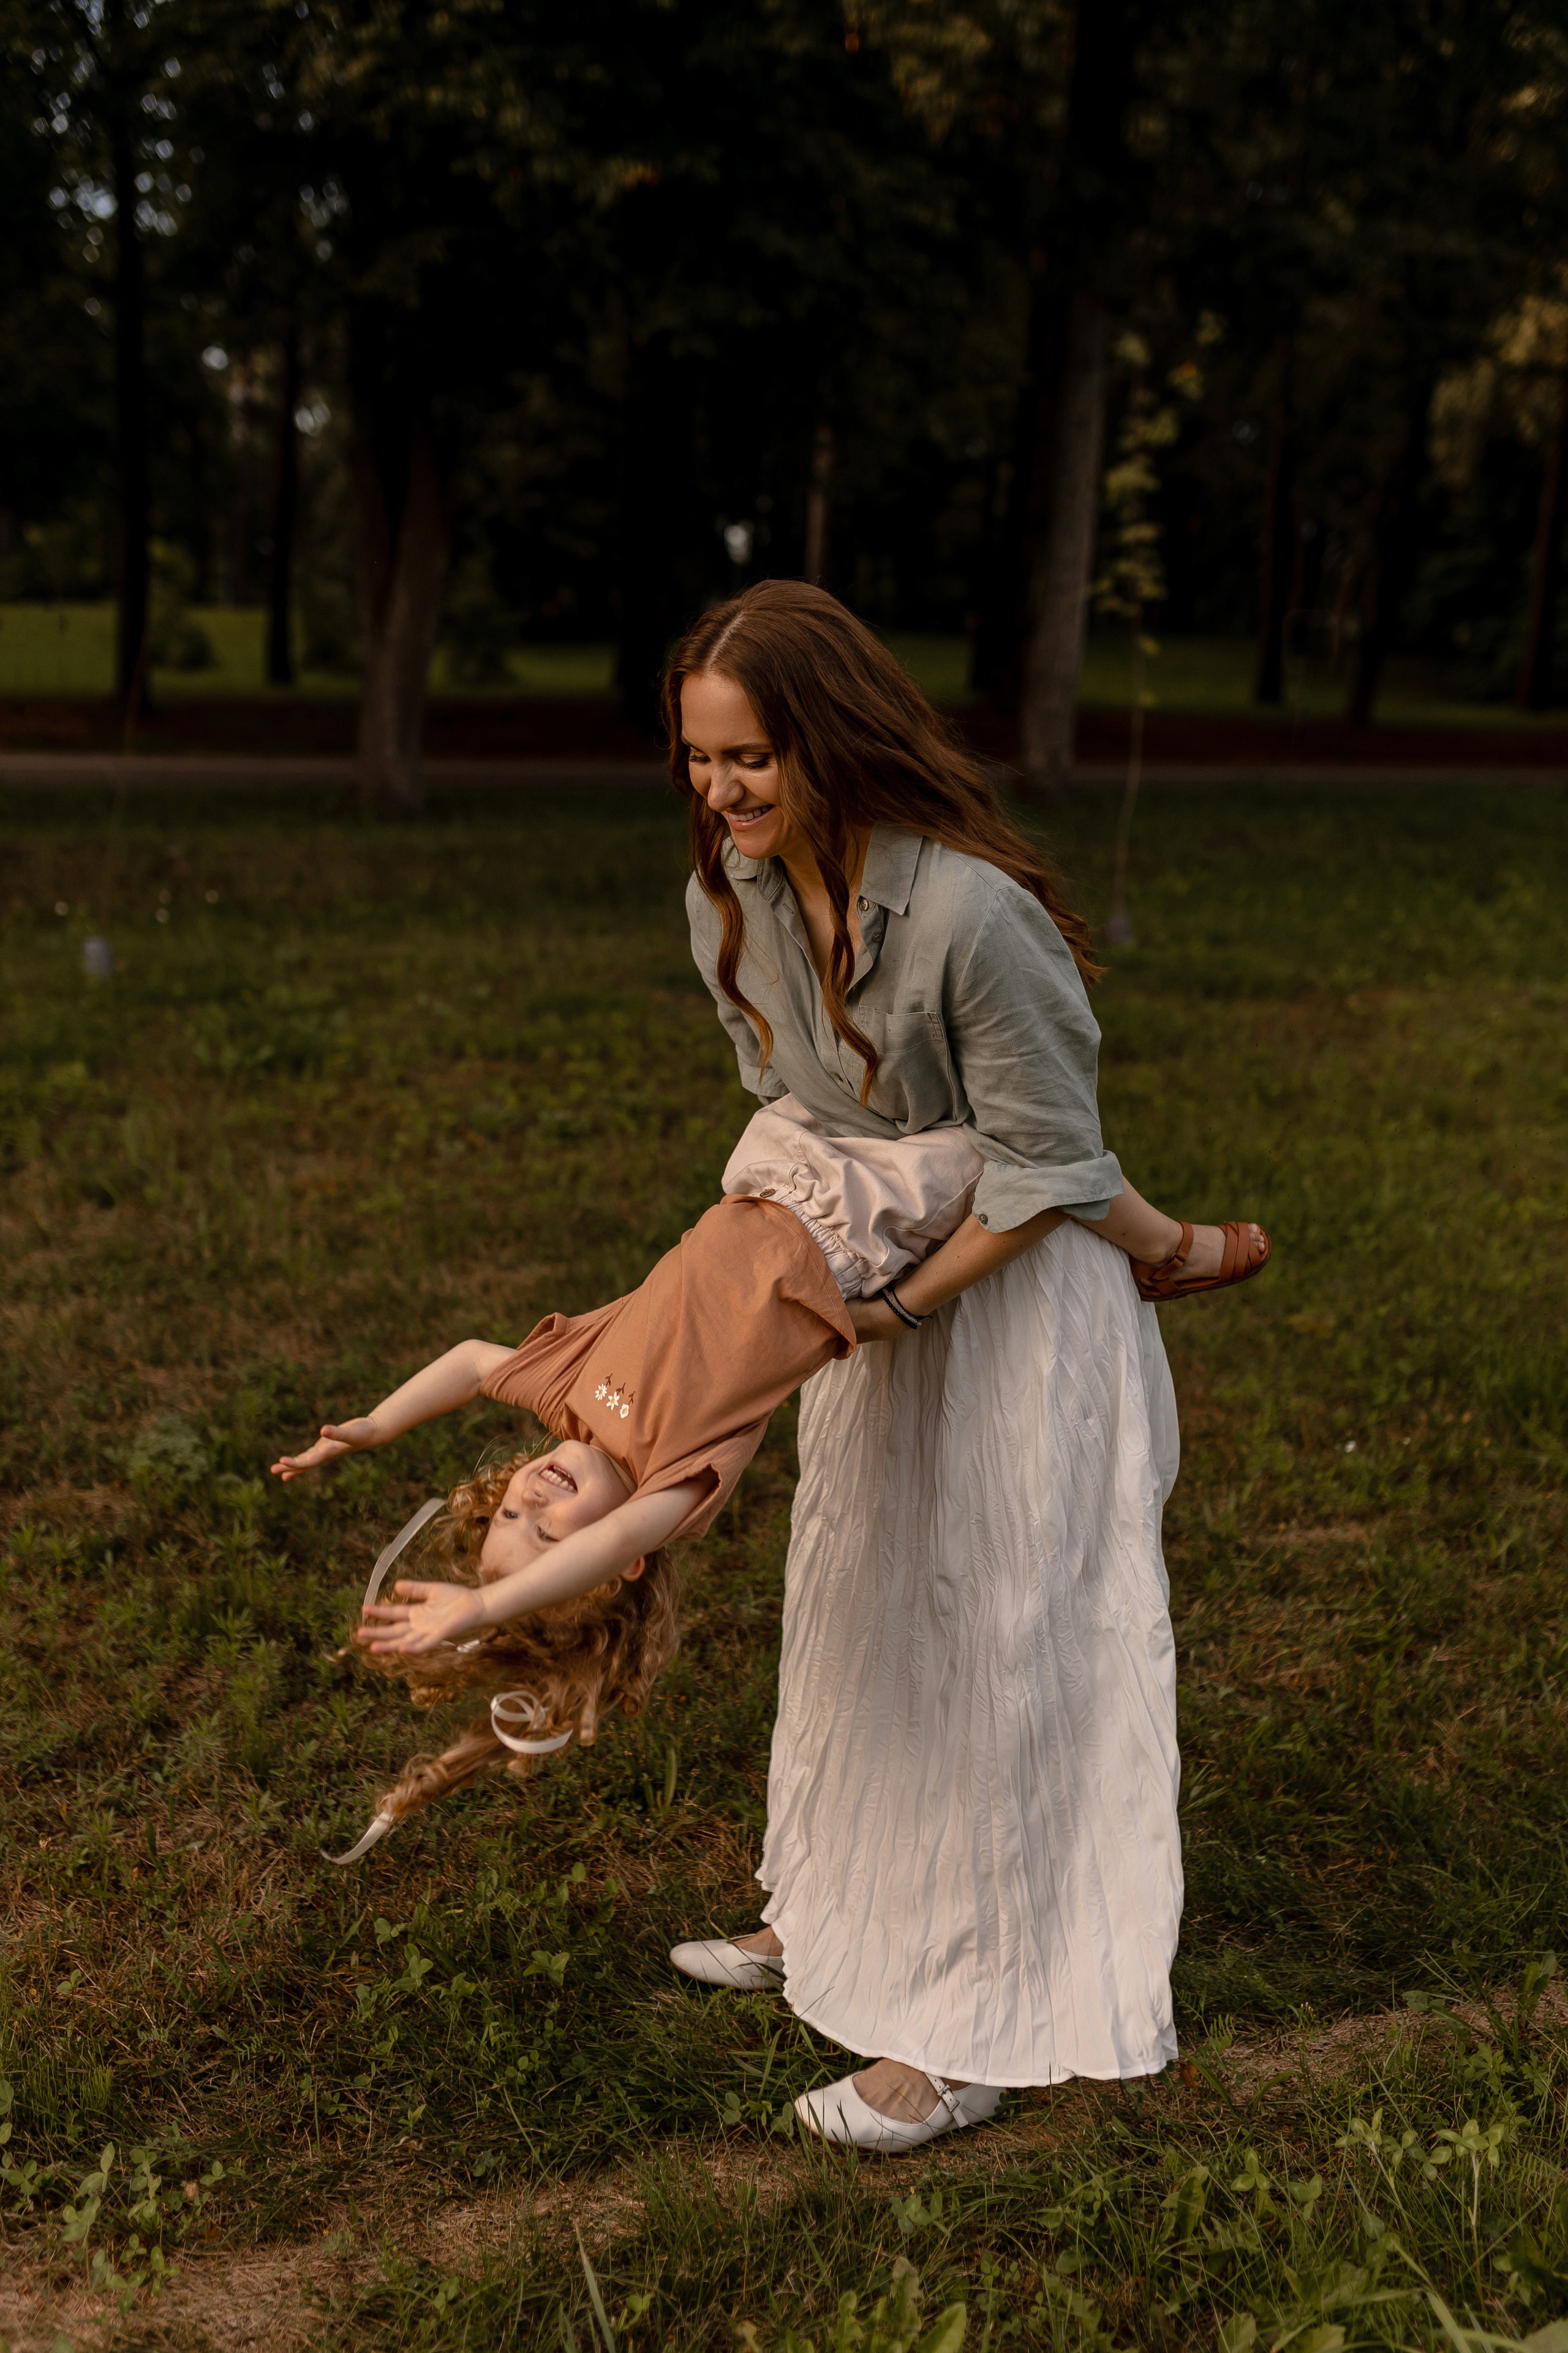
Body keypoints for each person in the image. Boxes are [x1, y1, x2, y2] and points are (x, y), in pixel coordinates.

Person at [668, 579, 1268, 2153]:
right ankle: (831, 1907)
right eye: (698, 761)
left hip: (1010, 1296)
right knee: (860, 1602)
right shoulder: (727, 899)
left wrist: (898, 1306)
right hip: (883, 1279)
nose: (721, 796)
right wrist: (794, 1275)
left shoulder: (969, 917)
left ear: (831, 742)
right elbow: (804, 1117)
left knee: (996, 1640)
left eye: (751, 761)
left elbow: (1042, 1171)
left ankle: (966, 2024)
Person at [269, 1087, 1255, 1848]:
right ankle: (1173, 1246)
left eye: (509, 1516)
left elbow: (478, 1359)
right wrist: (481, 1612)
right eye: (544, 1543)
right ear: (617, 1571)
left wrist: (375, 1423)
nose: (531, 1503)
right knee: (1032, 1127)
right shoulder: (673, 1484)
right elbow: (609, 1532)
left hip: (779, 1168)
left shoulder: (567, 1392)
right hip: (859, 1224)